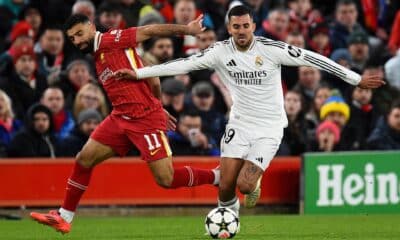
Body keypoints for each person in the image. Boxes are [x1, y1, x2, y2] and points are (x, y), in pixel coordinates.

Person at [116, 5, 384, 215]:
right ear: (229, 28)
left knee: (244, 185)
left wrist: (355, 78)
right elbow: (180, 65)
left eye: (246, 26)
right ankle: (229, 223)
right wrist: (139, 73)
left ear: (254, 26)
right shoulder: (219, 52)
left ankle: (253, 183)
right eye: (236, 27)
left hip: (269, 127)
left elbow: (312, 58)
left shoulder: (271, 49)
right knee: (225, 187)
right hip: (240, 123)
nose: (242, 30)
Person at [30, 13, 219, 234]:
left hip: (144, 119)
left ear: (91, 27)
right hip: (120, 117)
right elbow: (153, 76)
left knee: (166, 179)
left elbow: (150, 31)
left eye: (80, 33)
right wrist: (157, 103)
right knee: (84, 159)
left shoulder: (113, 39)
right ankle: (64, 217)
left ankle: (217, 176)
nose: (78, 40)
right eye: (72, 38)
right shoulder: (99, 54)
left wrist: (187, 30)